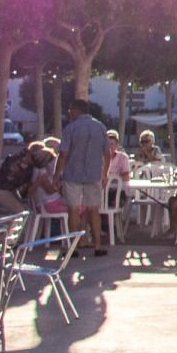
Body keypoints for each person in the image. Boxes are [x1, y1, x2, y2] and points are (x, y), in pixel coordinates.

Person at [58, 99, 110, 256]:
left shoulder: (70, 128)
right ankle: (98, 247)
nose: (69, 112)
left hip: (73, 173)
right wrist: (104, 173)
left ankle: (73, 248)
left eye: (70, 109)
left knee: (73, 211)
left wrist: (57, 174)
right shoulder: (100, 127)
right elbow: (107, 153)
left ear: (76, 110)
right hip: (93, 174)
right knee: (94, 210)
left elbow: (63, 155)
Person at [0, 141, 47, 214]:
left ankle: (13, 225)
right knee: (21, 212)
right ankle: (14, 225)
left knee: (21, 210)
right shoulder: (23, 165)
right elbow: (25, 190)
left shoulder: (21, 158)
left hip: (5, 187)